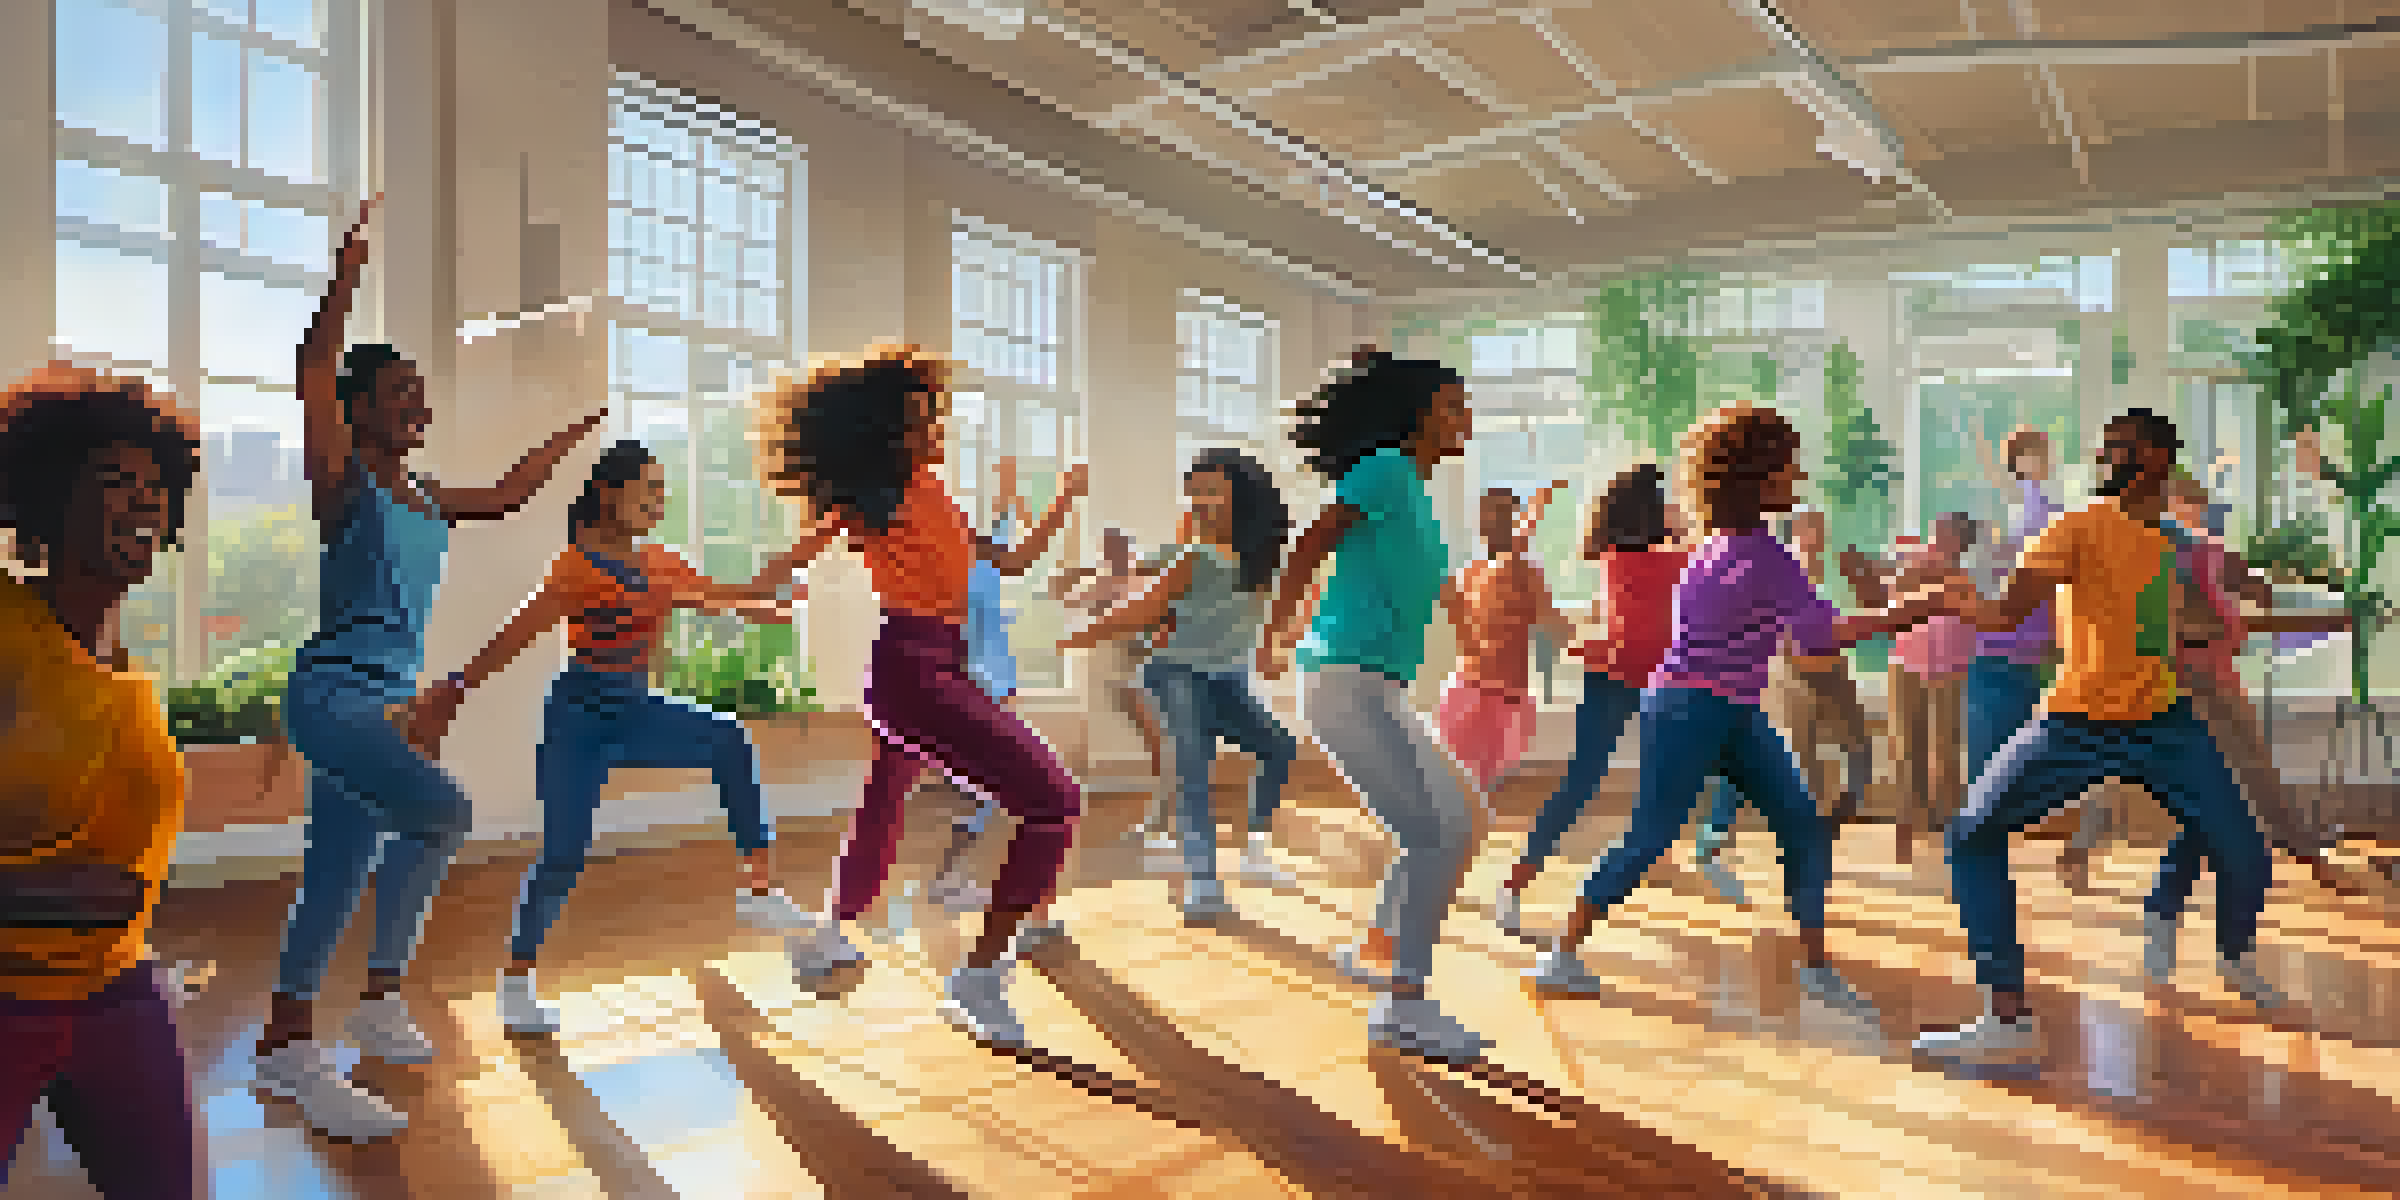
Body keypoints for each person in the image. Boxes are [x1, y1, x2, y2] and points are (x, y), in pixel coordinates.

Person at [253, 197, 607, 1140]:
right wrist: (351, 264)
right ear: (363, 407)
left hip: (387, 705)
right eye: (401, 392)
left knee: (337, 868)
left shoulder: (423, 492)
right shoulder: (348, 482)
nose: (420, 404)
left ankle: (287, 1042)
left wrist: (577, 433)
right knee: (443, 811)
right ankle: (377, 993)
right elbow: (314, 369)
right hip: (332, 699)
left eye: (422, 393)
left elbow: (508, 493)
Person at [1523, 407, 1959, 1025]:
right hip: (1689, 708)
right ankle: (1561, 955)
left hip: (1727, 709)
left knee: (1803, 827)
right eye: (1788, 463)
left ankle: (1815, 971)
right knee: (1651, 836)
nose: (1799, 474)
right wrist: (1916, 607)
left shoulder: (1716, 551)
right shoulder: (1760, 556)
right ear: (1758, 476)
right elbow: (1818, 638)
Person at [401, 440, 822, 1036]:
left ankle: (759, 889)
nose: (659, 500)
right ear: (609, 493)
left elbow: (724, 596)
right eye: (648, 489)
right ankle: (516, 981)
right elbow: (513, 636)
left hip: (638, 710)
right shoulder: (575, 568)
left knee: (730, 737)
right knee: (564, 855)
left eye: (661, 490)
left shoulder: (662, 564)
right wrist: (451, 690)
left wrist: (784, 583)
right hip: (580, 721)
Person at [1915, 409, 2284, 1065]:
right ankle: (2007, 1016)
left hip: (2163, 723)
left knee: (2248, 854)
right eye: (2106, 447)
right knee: (1971, 833)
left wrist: (2206, 604)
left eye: (2126, 448)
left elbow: (2197, 623)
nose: (2111, 457)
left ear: (2161, 459)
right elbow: (2005, 611)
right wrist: (1947, 597)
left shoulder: (2176, 541)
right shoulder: (2076, 526)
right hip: (2075, 722)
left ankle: (2231, 955)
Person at [758, 345, 1087, 1049]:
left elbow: (1010, 562)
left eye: (932, 415)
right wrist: (765, 593)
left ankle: (828, 935)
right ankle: (978, 976)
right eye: (920, 418)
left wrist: (1062, 499)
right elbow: (800, 553)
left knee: (883, 799)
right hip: (910, 669)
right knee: (1054, 802)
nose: (936, 427)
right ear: (890, 432)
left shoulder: (936, 496)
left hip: (938, 664)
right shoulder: (873, 498)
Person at [0, 365, 205, 1196]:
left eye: (155, 488)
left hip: (117, 990)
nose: (144, 503)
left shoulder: (132, 679)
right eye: (114, 482)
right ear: (48, 502)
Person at [1260, 348, 1487, 1062]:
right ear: (1416, 416)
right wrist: (1274, 630)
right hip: (1345, 681)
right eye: (1451, 406)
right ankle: (1404, 1004)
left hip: (1375, 684)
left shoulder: (1413, 491)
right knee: (1440, 832)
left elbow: (1426, 582)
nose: (1464, 418)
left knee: (1463, 817)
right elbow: (1312, 544)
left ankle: (1378, 947)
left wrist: (1471, 631)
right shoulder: (1386, 468)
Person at [1062, 448, 1300, 922]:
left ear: (1244, 497)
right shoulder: (1193, 555)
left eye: (1212, 491)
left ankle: (1254, 842)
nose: (1200, 503)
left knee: (1278, 749)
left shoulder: (1265, 562)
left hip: (1226, 677)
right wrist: (1086, 630)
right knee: (1194, 771)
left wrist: (1277, 646)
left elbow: (1276, 611)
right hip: (1175, 671)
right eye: (1194, 494)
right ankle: (1204, 884)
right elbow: (1143, 606)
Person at [1497, 465, 1738, 930]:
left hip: (1624, 673)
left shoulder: (1616, 555)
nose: (1678, 506)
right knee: (1708, 765)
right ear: (1651, 511)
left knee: (1583, 783)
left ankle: (1515, 885)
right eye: (1669, 499)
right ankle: (1705, 852)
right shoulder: (1671, 558)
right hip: (1633, 675)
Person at [2138, 471, 2357, 966]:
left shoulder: (2201, 551)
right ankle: (2176, 904)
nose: (2189, 513)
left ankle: (2173, 905)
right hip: (2191, 680)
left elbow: (2256, 592)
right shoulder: (2169, 550)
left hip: (2209, 674)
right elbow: (2188, 614)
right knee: (2231, 785)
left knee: (2233, 784)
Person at [1690, 506, 1873, 899]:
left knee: (1858, 750)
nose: (1818, 533)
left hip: (1832, 671)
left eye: (1821, 526)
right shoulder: (1777, 570)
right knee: (1785, 764)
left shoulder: (1832, 569)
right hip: (1788, 677)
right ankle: (1744, 846)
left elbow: (1847, 618)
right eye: (1811, 527)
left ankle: (1827, 823)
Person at [928, 456, 1037, 915]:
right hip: (974, 689)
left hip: (988, 686)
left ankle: (955, 879)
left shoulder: (981, 568)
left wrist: (1008, 489)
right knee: (988, 792)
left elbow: (1003, 524)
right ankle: (952, 880)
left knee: (988, 794)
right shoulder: (960, 580)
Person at [1437, 486, 1574, 803]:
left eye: (1500, 514)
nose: (1492, 522)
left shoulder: (1511, 572)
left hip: (1502, 698)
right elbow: (1556, 628)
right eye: (1489, 514)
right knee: (1464, 793)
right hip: (1470, 693)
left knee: (1476, 793)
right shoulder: (1471, 574)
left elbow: (1555, 627)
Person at [1862, 516, 1981, 865]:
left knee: (1945, 752)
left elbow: (1973, 619)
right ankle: (1904, 831)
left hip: (1950, 670)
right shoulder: (1913, 569)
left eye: (1946, 534)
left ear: (1961, 543)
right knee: (1905, 749)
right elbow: (1891, 606)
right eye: (1936, 533)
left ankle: (1949, 834)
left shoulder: (1966, 580)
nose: (1937, 539)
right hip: (1906, 666)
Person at [1056, 526, 1173, 849]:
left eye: (1117, 548)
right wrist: (1087, 570)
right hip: (1119, 673)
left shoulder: (1145, 582)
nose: (1112, 555)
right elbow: (1060, 594)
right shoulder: (1103, 582)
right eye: (1107, 550)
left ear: (1128, 549)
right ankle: (1163, 814)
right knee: (1157, 742)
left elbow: (1161, 621)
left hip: (1144, 671)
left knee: (1161, 742)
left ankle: (1165, 816)